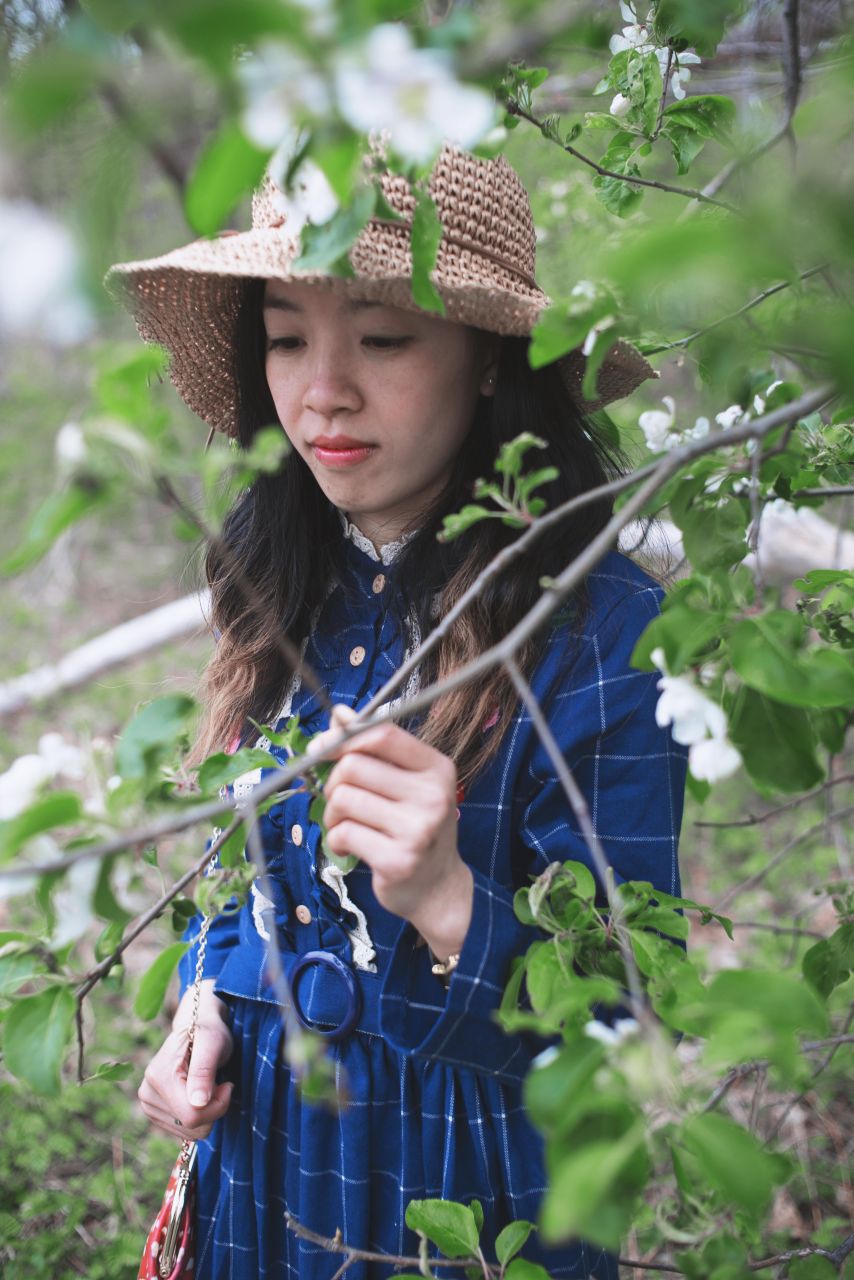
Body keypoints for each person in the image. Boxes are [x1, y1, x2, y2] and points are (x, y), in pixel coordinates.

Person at [107, 142, 688, 1280]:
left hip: (472, 1202)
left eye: (379, 335)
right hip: (267, 1179)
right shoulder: (277, 580)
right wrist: (206, 996)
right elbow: (243, 880)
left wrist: (450, 903)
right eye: (285, 335)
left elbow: (623, 1035)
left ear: (486, 359)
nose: (322, 387)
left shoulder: (603, 629)